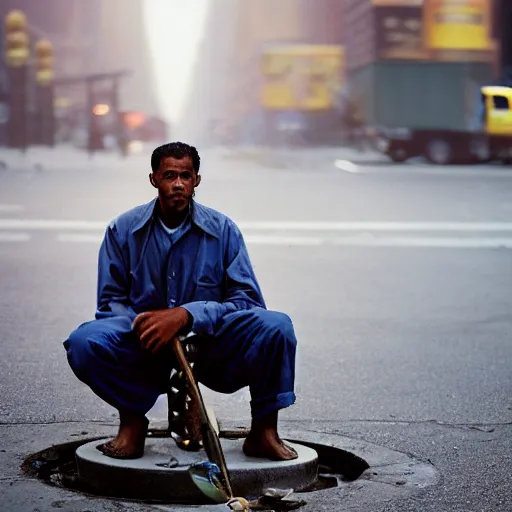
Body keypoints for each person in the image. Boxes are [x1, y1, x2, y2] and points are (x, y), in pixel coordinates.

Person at [64, 142, 298, 461]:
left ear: (196, 180)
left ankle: (263, 432)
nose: (177, 183)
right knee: (84, 343)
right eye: (169, 175)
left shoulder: (224, 230)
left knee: (277, 327)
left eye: (185, 176)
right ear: (153, 179)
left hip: (212, 348)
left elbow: (247, 301)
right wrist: (149, 325)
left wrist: (188, 315)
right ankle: (132, 423)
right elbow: (110, 303)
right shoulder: (122, 230)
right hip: (148, 347)